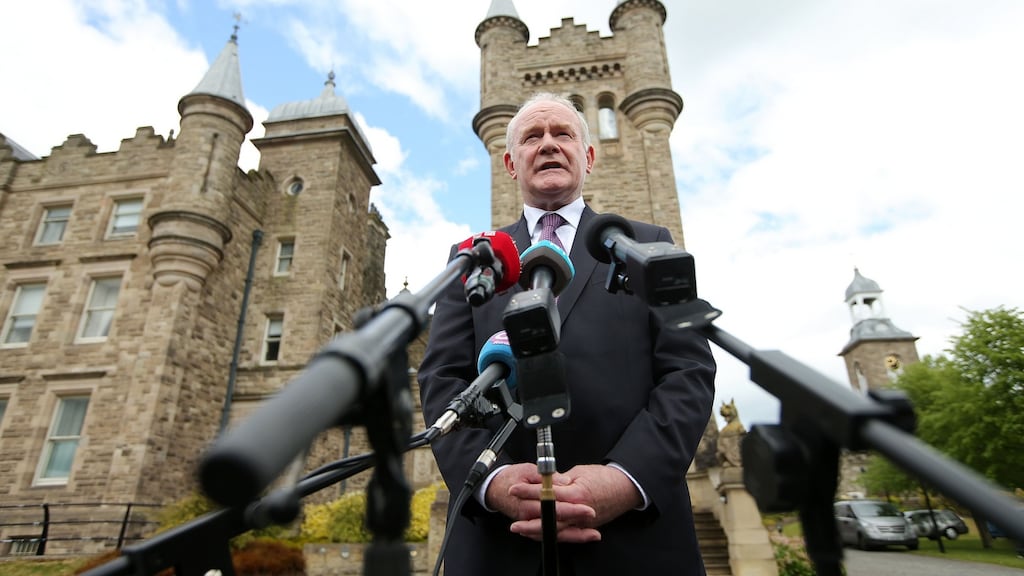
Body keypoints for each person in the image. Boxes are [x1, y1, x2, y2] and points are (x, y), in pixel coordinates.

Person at [418, 92, 717, 575]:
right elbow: (441, 382)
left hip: (636, 544)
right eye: (533, 137)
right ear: (511, 164)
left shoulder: (647, 245)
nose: (549, 144)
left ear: (589, 157)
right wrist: (492, 483)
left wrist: (625, 479)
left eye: (563, 134)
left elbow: (689, 372)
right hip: (499, 546)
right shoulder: (474, 257)